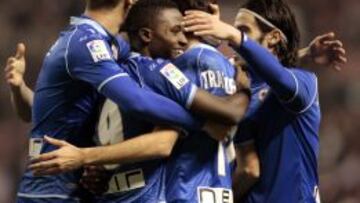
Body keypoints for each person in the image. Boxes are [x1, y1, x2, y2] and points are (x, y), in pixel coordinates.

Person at [29, 0, 250, 202]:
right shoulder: (161, 71)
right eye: (175, 31)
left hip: (108, 192)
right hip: (147, 194)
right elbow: (164, 142)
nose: (181, 39)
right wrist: (245, 86)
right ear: (147, 34)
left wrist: (93, 162)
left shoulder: (105, 69)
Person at [181, 0, 346, 202]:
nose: (233, 41)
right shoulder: (242, 93)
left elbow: (278, 76)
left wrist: (234, 35)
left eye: (244, 30)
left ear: (274, 37)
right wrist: (211, 38)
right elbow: (249, 168)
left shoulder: (304, 83)